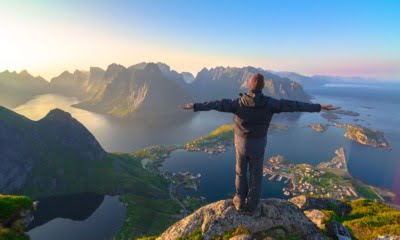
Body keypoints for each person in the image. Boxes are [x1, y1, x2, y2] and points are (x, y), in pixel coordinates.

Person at [180, 73, 340, 214]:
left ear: (249, 85)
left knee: (240, 172)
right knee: (256, 175)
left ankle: (239, 200)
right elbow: (295, 105)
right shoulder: (271, 104)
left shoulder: (237, 103)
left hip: (241, 143)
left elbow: (216, 104)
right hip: (259, 144)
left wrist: (195, 106)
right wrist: (319, 107)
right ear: (263, 87)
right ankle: (252, 206)